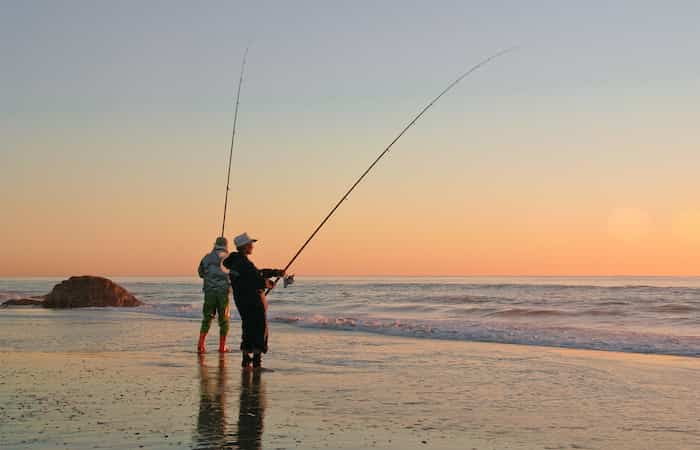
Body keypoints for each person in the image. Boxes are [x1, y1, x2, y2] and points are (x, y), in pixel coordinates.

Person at [223, 232, 284, 369]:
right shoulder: (243, 262)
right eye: (251, 244)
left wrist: (274, 272)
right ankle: (257, 362)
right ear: (245, 246)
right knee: (259, 328)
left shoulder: (236, 262)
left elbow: (255, 274)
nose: (252, 246)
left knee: (248, 327)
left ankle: (246, 359)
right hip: (253, 301)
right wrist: (268, 283)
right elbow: (256, 279)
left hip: (242, 300)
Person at [197, 236, 231, 353]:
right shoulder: (228, 258)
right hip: (223, 293)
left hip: (209, 292)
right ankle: (222, 347)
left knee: (207, 318)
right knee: (224, 320)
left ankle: (201, 345)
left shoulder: (206, 258)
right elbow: (234, 275)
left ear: (215, 245)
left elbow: (200, 273)